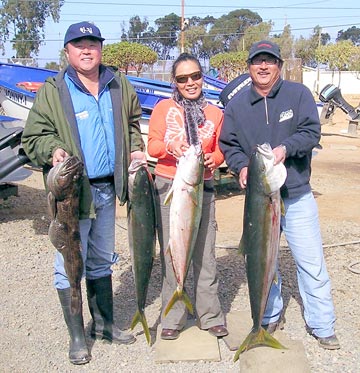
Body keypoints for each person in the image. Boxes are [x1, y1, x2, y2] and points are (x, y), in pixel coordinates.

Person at [22, 21, 146, 364]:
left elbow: (134, 123)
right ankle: (77, 335)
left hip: (109, 190)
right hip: (73, 194)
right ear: (67, 52)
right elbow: (33, 137)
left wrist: (135, 148)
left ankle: (104, 325)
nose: (87, 49)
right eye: (79, 44)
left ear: (101, 49)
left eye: (93, 43)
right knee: (68, 264)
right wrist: (54, 151)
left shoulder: (119, 83)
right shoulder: (54, 89)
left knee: (101, 259)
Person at [219, 40, 340, 350]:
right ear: (249, 67)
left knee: (310, 262)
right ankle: (268, 317)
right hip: (258, 201)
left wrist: (286, 148)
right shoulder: (236, 107)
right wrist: (240, 168)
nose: (263, 66)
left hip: (296, 196)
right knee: (263, 263)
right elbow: (228, 145)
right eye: (257, 61)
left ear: (279, 66)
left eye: (269, 61)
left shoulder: (297, 95)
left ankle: (322, 324)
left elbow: (311, 132)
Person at [147, 53, 228, 340]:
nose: (190, 82)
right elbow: (152, 144)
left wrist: (214, 160)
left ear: (202, 77)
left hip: (201, 188)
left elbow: (222, 149)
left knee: (205, 254)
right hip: (170, 185)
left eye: (195, 76)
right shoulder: (163, 108)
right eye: (182, 78)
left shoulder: (216, 113)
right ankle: (173, 315)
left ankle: (210, 314)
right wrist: (171, 145)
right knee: (173, 251)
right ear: (175, 82)